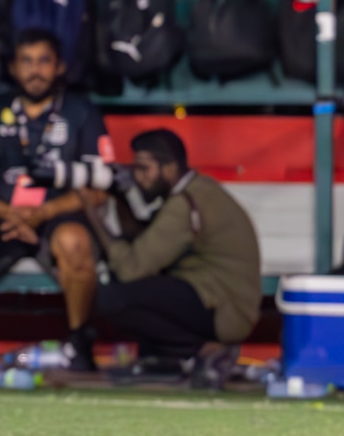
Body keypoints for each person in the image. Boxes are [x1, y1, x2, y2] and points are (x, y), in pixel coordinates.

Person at [0, 28, 112, 371]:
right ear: (13, 68)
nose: (35, 70)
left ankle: (79, 342)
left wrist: (42, 212)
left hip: (60, 215)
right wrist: (10, 213)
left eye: (44, 61)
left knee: (74, 241)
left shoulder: (82, 113)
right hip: (3, 215)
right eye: (26, 62)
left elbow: (100, 187)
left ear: (59, 67)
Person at [76, 129, 261, 389]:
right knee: (147, 289)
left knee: (112, 298)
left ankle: (203, 351)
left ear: (170, 167)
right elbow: (149, 245)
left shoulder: (185, 203)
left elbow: (131, 269)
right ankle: (166, 360)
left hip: (222, 309)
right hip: (222, 298)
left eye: (145, 169)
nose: (139, 178)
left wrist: (94, 215)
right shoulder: (200, 189)